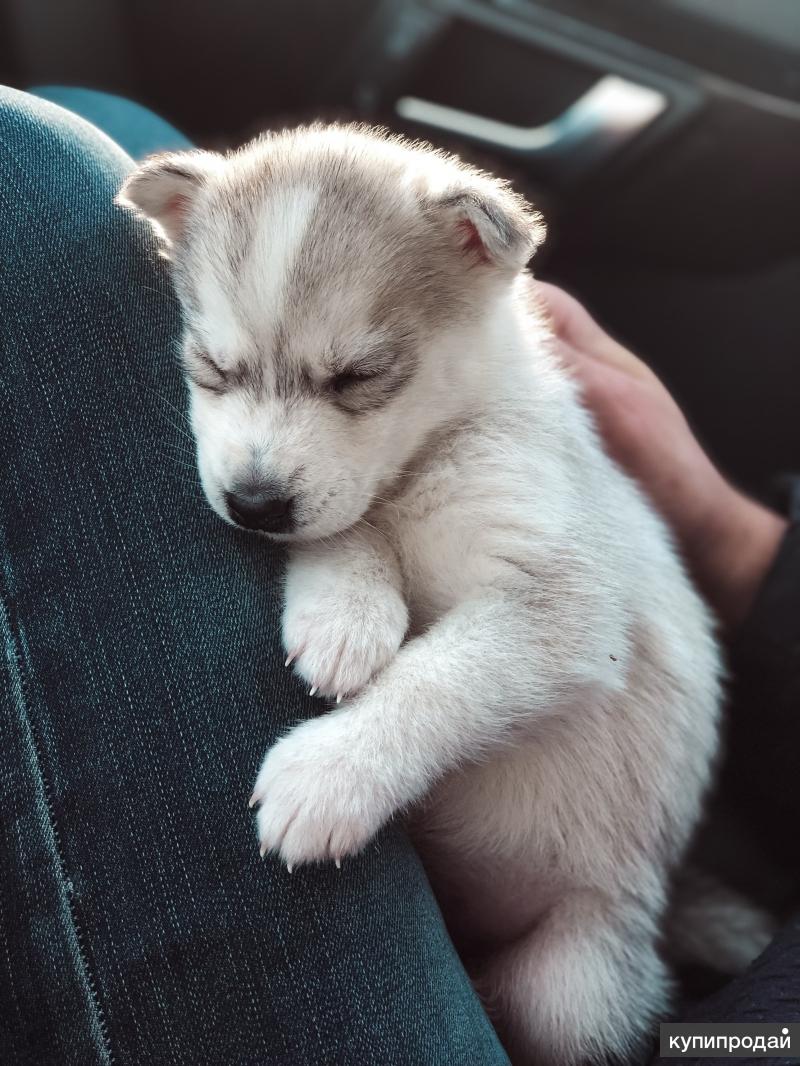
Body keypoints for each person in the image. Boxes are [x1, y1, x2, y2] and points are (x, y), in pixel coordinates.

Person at [0, 84, 796, 1064]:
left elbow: (561, 621)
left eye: (353, 377)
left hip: (561, 923)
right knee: (101, 128)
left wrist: (376, 742)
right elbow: (362, 516)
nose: (260, 460)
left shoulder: (506, 428)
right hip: (403, 846)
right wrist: (349, 559)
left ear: (477, 259)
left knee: (23, 171)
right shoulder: (368, 437)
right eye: (215, 369)